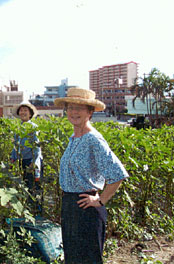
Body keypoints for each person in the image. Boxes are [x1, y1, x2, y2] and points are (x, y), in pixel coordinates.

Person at [54, 87, 129, 263]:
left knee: (88, 259)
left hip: (87, 209)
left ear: (90, 112)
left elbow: (117, 174)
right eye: (70, 107)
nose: (73, 112)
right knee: (72, 258)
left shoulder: (93, 139)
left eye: (79, 108)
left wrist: (100, 200)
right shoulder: (74, 138)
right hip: (71, 206)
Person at [10, 101, 43, 192]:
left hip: (31, 161)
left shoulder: (33, 127)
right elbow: (15, 146)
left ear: (30, 114)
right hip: (21, 161)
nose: (23, 112)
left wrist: (33, 163)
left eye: (25, 110)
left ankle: (35, 206)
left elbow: (37, 147)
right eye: (21, 110)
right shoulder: (18, 128)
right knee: (23, 187)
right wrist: (12, 159)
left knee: (33, 188)